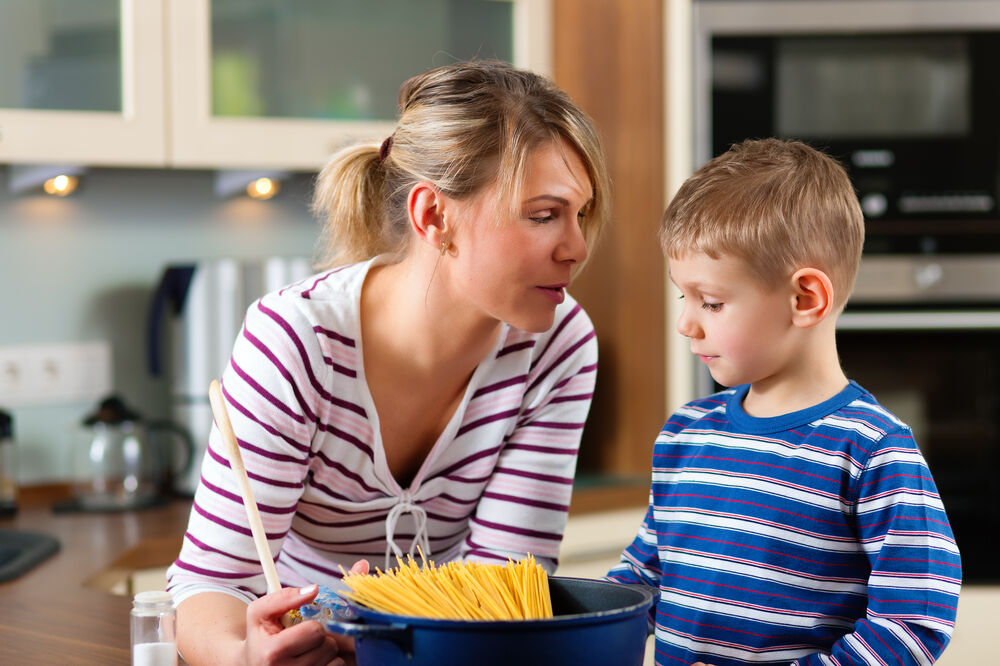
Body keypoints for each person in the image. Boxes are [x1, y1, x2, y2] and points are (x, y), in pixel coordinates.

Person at [166, 60, 610, 666]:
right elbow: (206, 587)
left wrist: (391, 632)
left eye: (579, 215)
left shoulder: (560, 346)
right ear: (434, 217)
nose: (577, 247)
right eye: (543, 215)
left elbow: (506, 590)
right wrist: (245, 655)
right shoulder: (299, 340)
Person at [608, 138, 961, 666]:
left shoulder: (872, 451)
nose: (686, 322)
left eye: (712, 301)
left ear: (805, 299)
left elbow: (913, 621)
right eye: (685, 296)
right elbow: (644, 577)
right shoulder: (685, 435)